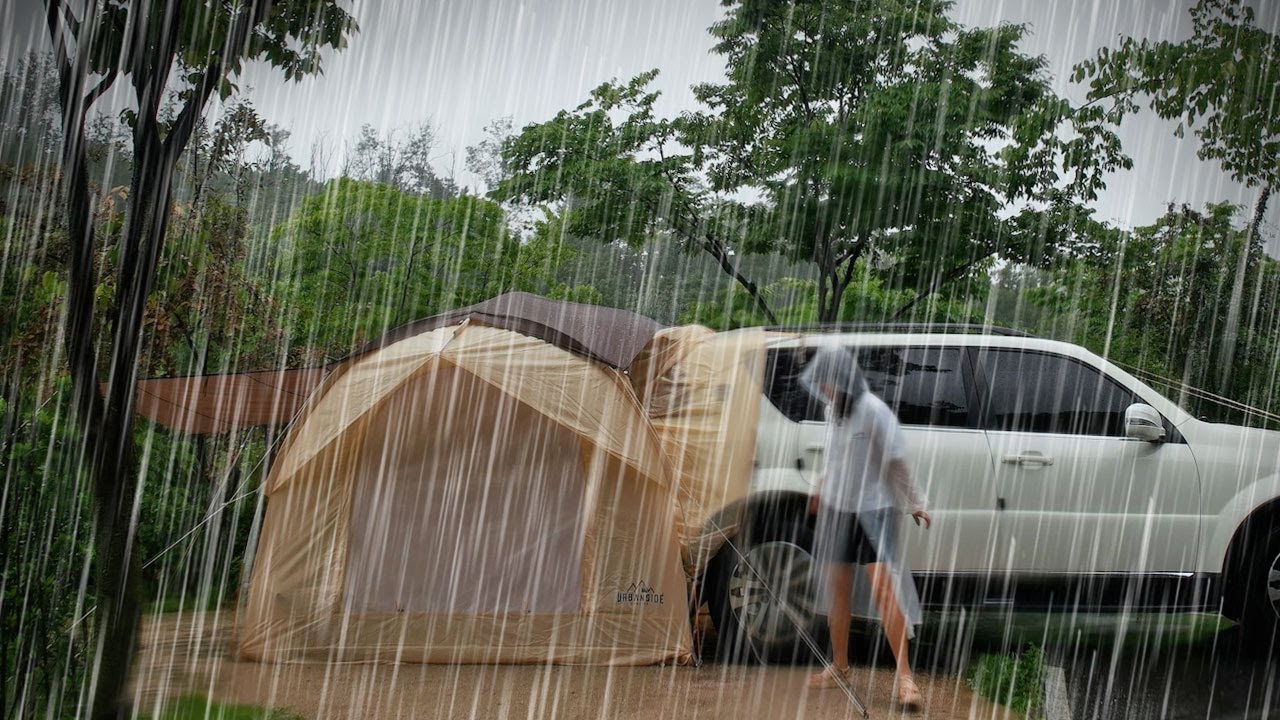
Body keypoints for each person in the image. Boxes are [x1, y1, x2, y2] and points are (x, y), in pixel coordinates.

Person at [800, 346, 931, 711]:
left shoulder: (872, 410)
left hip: (874, 511)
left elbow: (897, 460)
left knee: (884, 592)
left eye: (826, 381)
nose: (822, 389)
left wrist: (917, 502)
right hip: (840, 511)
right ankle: (840, 666)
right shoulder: (833, 413)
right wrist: (820, 487)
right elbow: (838, 459)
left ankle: (905, 678)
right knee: (837, 591)